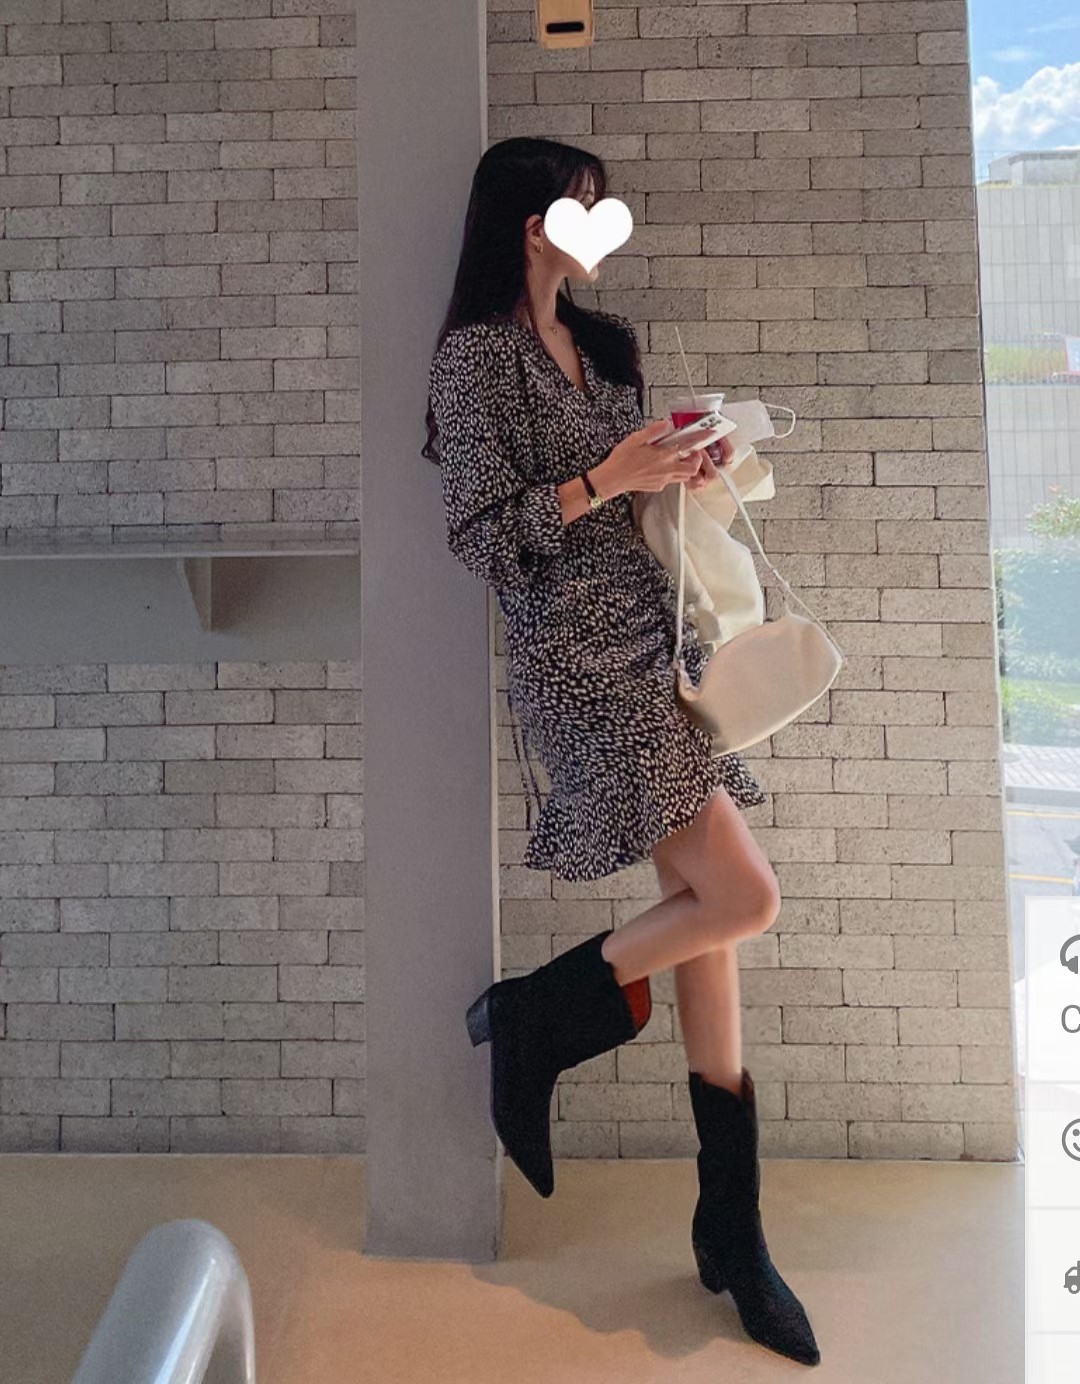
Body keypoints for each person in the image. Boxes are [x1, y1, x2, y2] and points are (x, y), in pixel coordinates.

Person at [423, 137, 819, 1368]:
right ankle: (535, 1016)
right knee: (744, 896)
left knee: (710, 922)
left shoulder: (604, 347)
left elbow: (637, 497)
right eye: (579, 207)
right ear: (527, 222)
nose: (597, 223)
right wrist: (604, 474)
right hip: (575, 664)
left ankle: (732, 1230)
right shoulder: (473, 358)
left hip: (658, 642)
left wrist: (683, 465)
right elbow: (478, 536)